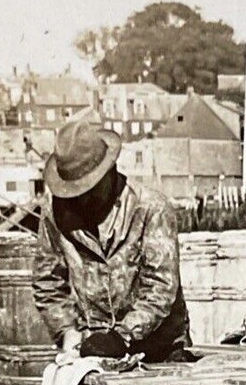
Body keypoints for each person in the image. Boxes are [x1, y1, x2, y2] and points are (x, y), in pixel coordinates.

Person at [32, 119, 191, 364]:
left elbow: (161, 287)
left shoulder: (150, 209)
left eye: (89, 190)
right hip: (93, 354)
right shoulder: (55, 214)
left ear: (110, 173)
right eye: (75, 193)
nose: (82, 201)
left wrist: (122, 336)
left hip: (160, 351)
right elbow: (47, 282)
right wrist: (67, 331)